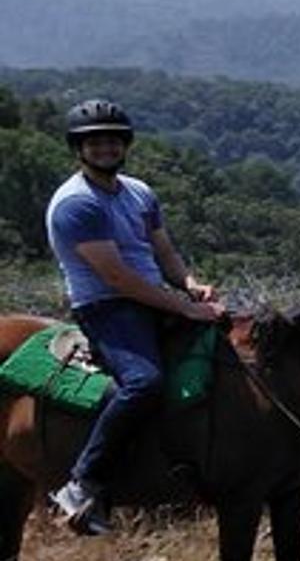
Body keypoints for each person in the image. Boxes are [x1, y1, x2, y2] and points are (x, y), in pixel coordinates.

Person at [43, 98, 227, 536]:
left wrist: (189, 284)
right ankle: (83, 483)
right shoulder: (76, 205)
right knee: (143, 382)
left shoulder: (139, 192)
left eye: (112, 139)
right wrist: (184, 307)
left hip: (152, 297)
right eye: (95, 142)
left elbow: (162, 252)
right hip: (107, 307)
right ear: (79, 149)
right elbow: (118, 279)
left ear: (124, 144)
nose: (105, 148)